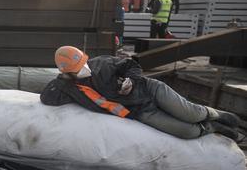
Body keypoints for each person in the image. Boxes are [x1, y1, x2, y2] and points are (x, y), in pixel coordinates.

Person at [40, 46, 242, 141]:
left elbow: (131, 65)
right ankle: (213, 127)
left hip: (150, 90)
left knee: (191, 115)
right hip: (139, 111)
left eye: (83, 62)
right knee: (187, 132)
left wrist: (131, 80)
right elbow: (47, 98)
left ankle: (216, 114)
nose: (84, 68)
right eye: (78, 67)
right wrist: (63, 80)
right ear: (68, 73)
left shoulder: (102, 64)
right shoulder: (70, 88)